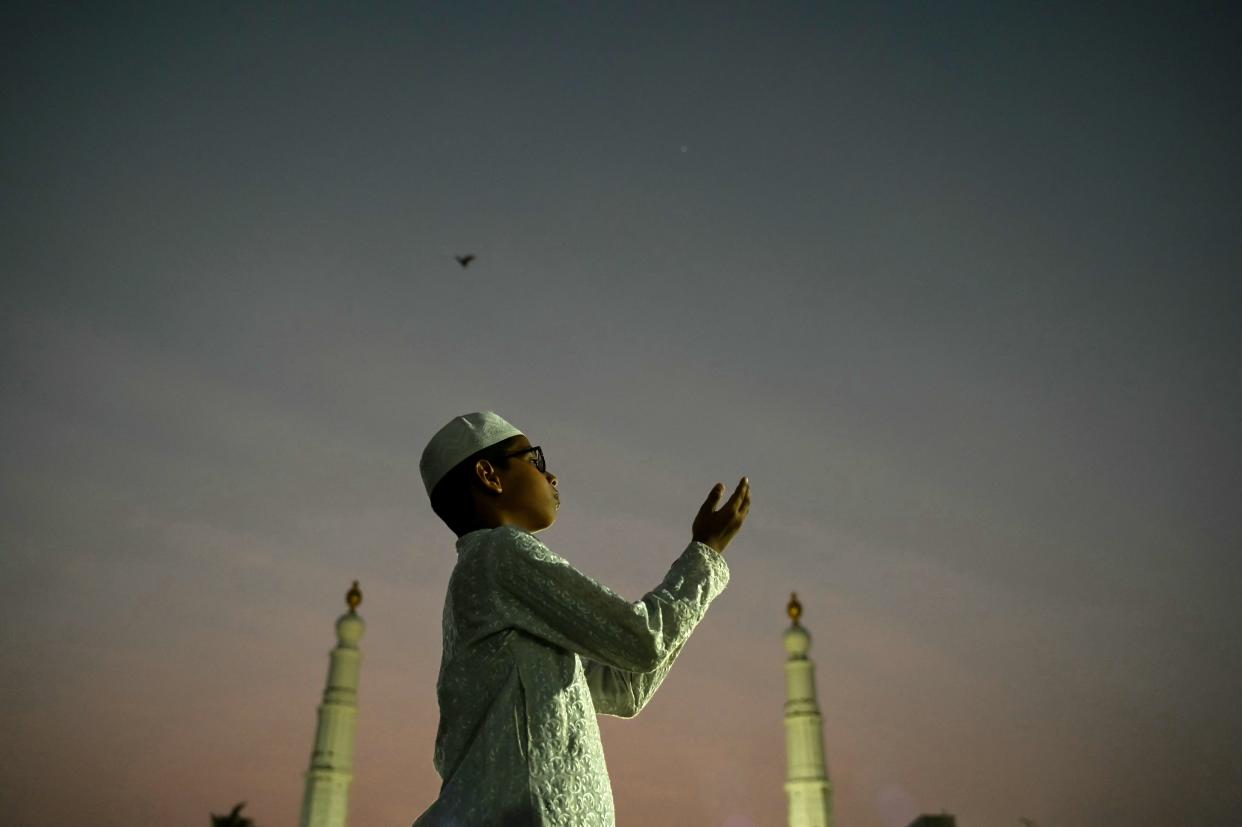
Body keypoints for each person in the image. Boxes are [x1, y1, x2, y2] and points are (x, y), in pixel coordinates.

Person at [412, 411, 750, 827]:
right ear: (488, 474)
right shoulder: (499, 553)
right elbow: (641, 642)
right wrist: (704, 555)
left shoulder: (497, 583)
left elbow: (626, 686)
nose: (551, 477)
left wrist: (705, 559)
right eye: (535, 460)